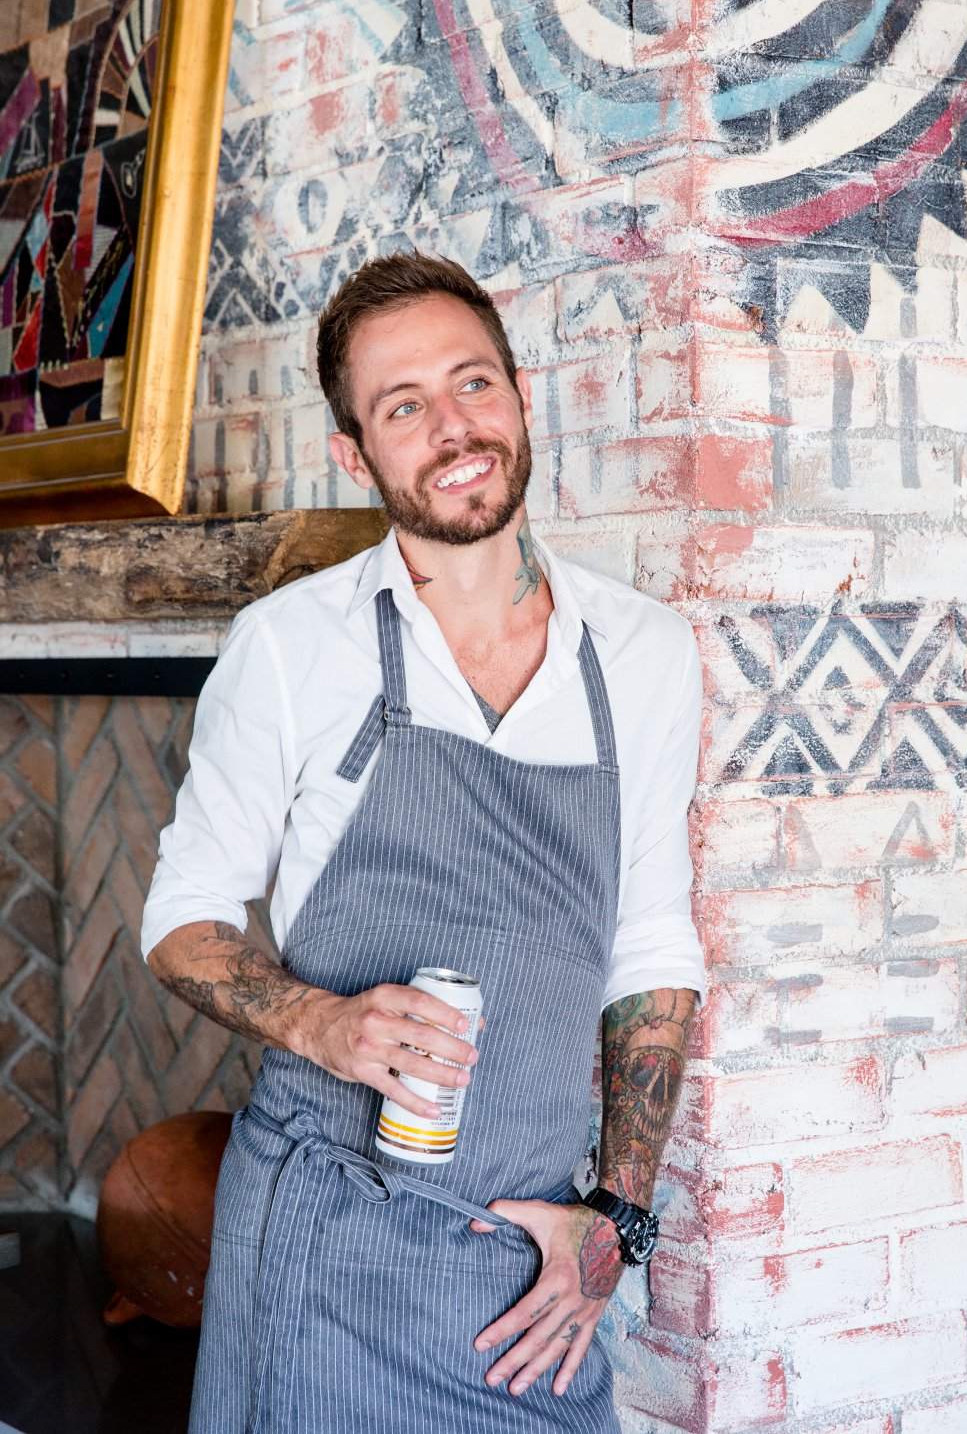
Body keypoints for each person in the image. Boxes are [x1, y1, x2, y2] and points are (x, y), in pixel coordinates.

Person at [141, 252, 706, 1433]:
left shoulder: (643, 653)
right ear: (355, 453)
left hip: (526, 1257)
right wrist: (319, 1023)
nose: (454, 430)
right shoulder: (293, 645)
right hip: (322, 1240)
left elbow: (649, 948)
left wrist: (617, 1220)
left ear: (519, 396)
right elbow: (182, 918)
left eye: (472, 384)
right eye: (403, 407)